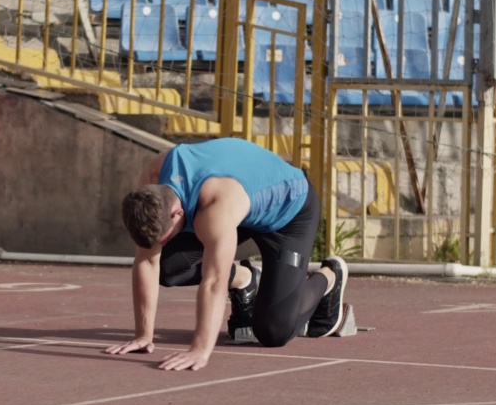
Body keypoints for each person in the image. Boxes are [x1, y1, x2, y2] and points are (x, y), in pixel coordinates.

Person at [106, 137, 349, 371]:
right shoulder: (152, 182)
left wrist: (200, 349)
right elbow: (148, 261)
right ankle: (244, 278)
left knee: (273, 331)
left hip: (288, 216)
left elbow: (213, 283)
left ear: (176, 213)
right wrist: (143, 336)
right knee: (169, 267)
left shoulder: (215, 208)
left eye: (165, 237)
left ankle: (330, 276)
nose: (163, 243)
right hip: (242, 204)